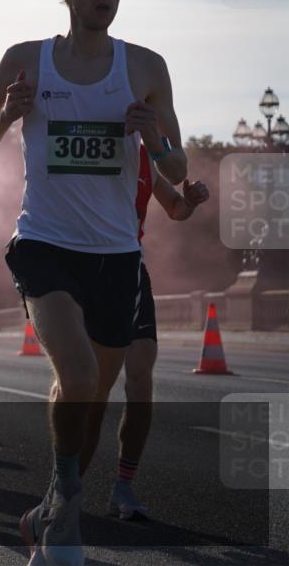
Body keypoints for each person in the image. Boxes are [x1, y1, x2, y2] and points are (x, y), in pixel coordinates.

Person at [0, 0, 187, 566]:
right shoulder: (25, 59)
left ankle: (51, 508)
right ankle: (67, 513)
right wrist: (7, 114)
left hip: (116, 256)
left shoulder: (145, 67)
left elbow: (176, 167)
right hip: (45, 244)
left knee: (91, 406)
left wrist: (157, 142)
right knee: (80, 376)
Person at [79, 145, 209, 520]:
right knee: (92, 391)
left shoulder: (145, 158)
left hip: (131, 274)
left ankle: (123, 486)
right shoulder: (86, 145)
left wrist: (192, 201)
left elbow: (176, 209)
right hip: (85, 273)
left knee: (140, 382)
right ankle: (67, 487)